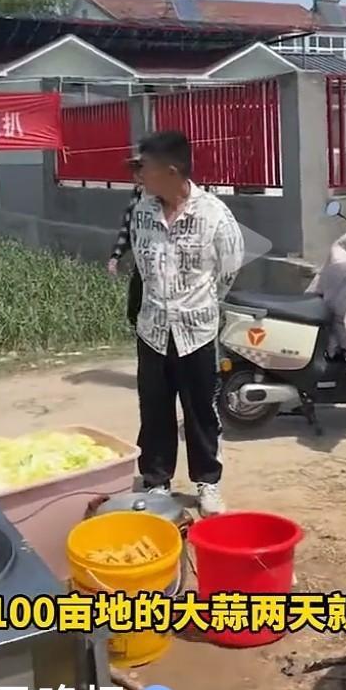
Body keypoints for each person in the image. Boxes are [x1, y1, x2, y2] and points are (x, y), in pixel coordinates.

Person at [130, 130, 244, 516]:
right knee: (154, 410)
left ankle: (207, 483)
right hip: (152, 330)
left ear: (171, 171)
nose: (139, 174)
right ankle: (157, 481)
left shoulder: (214, 215)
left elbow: (229, 269)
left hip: (196, 333)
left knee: (200, 412)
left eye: (145, 167)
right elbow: (141, 266)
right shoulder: (142, 211)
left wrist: (198, 305)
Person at [108, 155, 143, 329]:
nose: (136, 175)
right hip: (143, 263)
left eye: (140, 169)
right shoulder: (137, 194)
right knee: (134, 311)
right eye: (134, 170)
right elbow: (128, 228)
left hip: (164, 265)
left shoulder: (163, 197)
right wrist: (116, 256)